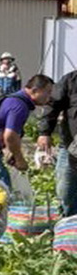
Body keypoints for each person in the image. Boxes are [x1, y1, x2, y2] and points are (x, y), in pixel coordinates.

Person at [40, 63, 77, 223]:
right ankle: (67, 226)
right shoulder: (71, 80)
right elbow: (52, 105)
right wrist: (45, 132)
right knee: (65, 190)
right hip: (70, 145)